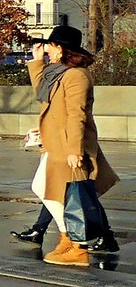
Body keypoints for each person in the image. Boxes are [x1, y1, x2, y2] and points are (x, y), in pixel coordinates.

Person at [27, 25, 120, 267]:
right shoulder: (58, 72)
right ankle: (68, 240)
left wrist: (74, 150)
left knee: (52, 190)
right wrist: (37, 62)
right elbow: (45, 94)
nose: (47, 49)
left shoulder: (76, 75)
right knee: (47, 189)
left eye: (50, 45)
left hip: (68, 144)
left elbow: (76, 114)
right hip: (55, 141)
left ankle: (75, 245)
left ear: (60, 48)